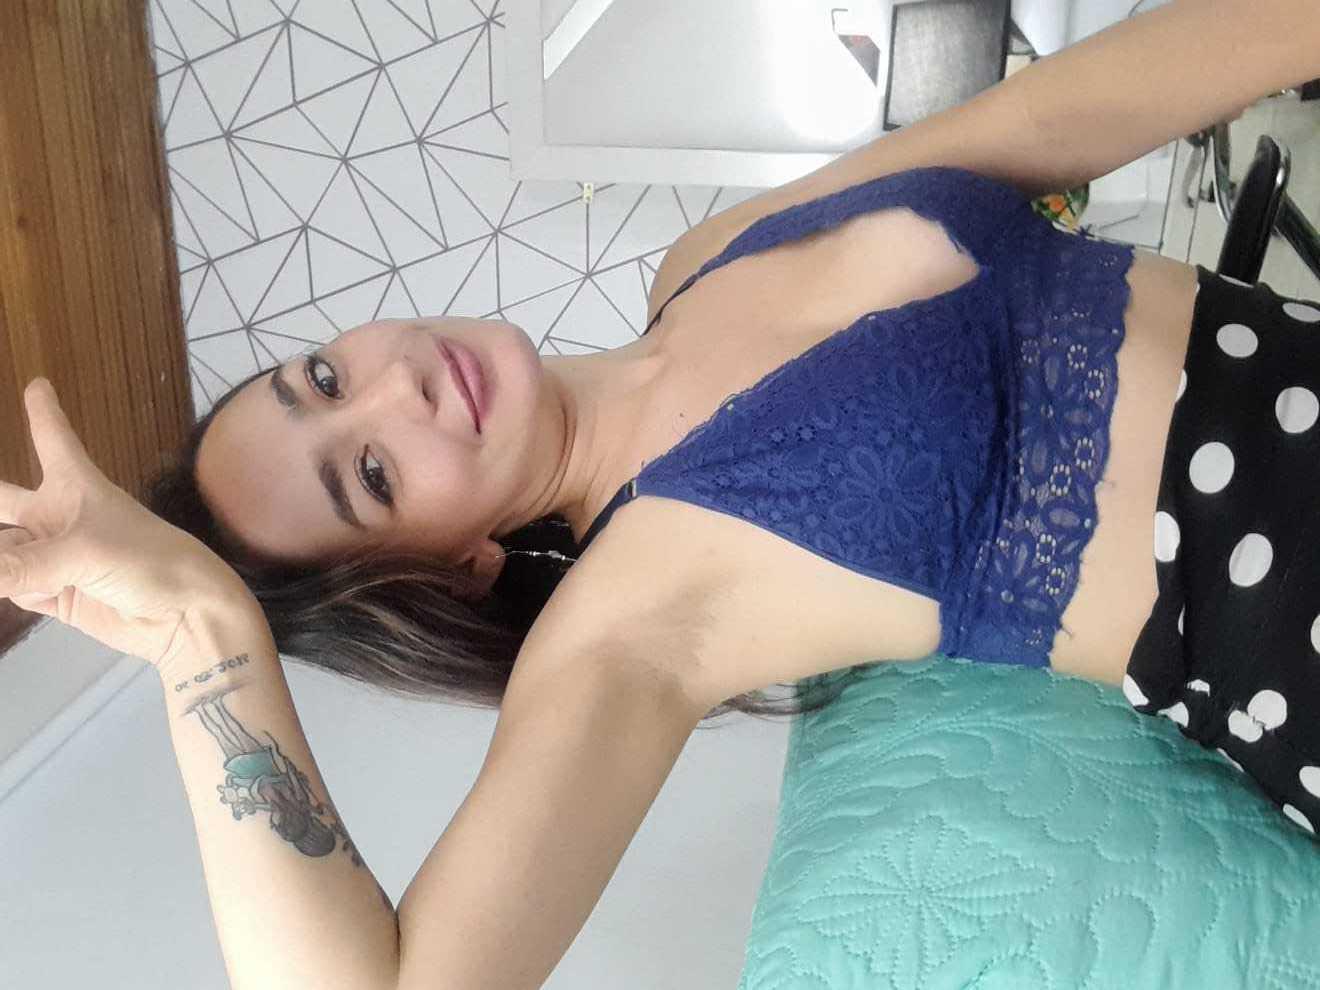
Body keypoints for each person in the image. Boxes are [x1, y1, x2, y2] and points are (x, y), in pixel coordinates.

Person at [2, 1, 1319, 987]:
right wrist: (203, 631)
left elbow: (1047, 121)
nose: (397, 388)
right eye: (374, 474)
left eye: (325, 376)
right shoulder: (630, 621)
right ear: (456, 562)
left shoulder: (703, 258)